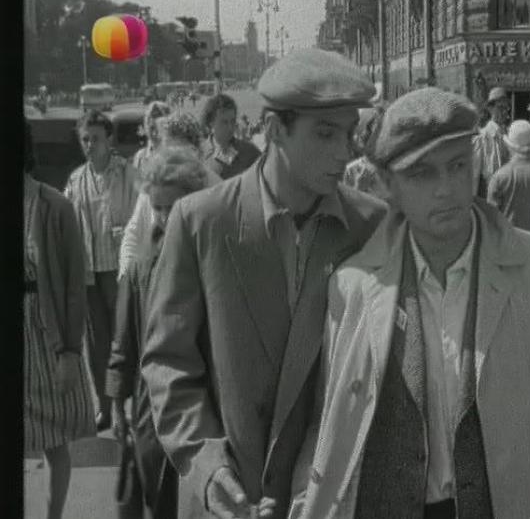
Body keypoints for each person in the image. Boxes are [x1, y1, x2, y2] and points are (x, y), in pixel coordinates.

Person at [290, 87, 530, 519]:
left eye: (457, 165)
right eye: (422, 174)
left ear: (476, 163)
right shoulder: (352, 286)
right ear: (388, 184)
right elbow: (329, 423)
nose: (446, 189)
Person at [141, 48, 388, 519]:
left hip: (329, 502)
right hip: (227, 502)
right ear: (274, 130)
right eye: (325, 133)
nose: (345, 152)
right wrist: (206, 464)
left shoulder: (373, 226)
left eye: (349, 133)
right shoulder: (199, 221)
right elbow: (168, 361)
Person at [107, 147, 210, 519]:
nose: (166, 218)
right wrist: (117, 403)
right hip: (151, 411)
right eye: (159, 208)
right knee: (159, 503)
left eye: (174, 207)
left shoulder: (215, 259)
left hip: (206, 409)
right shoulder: (140, 269)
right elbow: (124, 341)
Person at [24, 121, 96, 519]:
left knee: (55, 439)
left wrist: (69, 351)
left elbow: (73, 286)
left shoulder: (55, 206)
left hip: (44, 333)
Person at [64, 109, 139, 431]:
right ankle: (105, 409)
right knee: (96, 346)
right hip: (90, 274)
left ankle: (129, 408)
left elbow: (142, 215)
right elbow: (67, 224)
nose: (90, 145)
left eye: (95, 138)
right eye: (85, 139)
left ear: (109, 139)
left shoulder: (127, 173)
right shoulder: (76, 179)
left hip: (120, 272)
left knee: (124, 341)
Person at [119, 112, 221, 279]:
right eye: (165, 148)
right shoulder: (154, 182)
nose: (169, 159)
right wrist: (126, 277)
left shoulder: (215, 189)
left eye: (177, 151)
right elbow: (134, 233)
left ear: (194, 149)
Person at [199, 93, 261, 180]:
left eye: (233, 121)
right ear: (211, 123)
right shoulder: (199, 155)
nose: (230, 127)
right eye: (224, 122)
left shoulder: (250, 151)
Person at [342, 106, 390, 202]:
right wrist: (359, 188)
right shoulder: (351, 171)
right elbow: (345, 208)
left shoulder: (396, 170)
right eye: (376, 130)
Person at [472, 87, 511, 198]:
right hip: (489, 196)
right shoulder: (482, 138)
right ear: (490, 108)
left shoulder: (509, 135)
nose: (504, 112)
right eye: (500, 107)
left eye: (507, 108)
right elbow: (474, 176)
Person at [132, 101, 172, 173]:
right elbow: (136, 179)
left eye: (158, 118)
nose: (152, 122)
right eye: (148, 120)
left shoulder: (175, 156)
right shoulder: (140, 156)